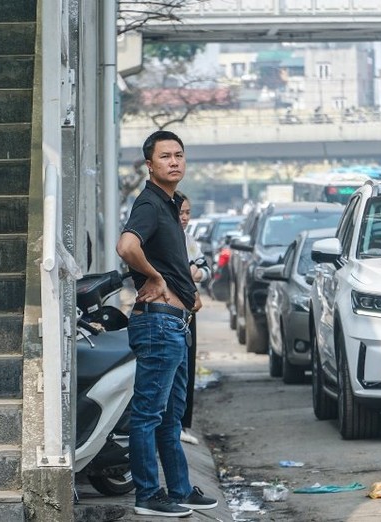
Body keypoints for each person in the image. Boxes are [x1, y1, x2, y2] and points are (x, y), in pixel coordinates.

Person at [116, 130, 218, 517]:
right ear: (150, 165)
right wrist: (155, 280)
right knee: (148, 414)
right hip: (157, 325)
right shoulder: (150, 204)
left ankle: (178, 488)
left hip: (175, 324)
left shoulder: (170, 204)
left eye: (178, 155)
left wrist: (184, 289)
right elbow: (127, 246)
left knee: (171, 417)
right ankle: (147, 495)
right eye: (165, 156)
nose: (174, 162)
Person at [176, 191, 210, 446]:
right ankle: (173, 423)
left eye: (188, 212)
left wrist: (197, 272)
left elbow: (204, 268)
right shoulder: (162, 238)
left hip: (188, 312)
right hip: (169, 312)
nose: (185, 218)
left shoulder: (188, 240)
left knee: (186, 367)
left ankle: (182, 423)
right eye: (181, 212)